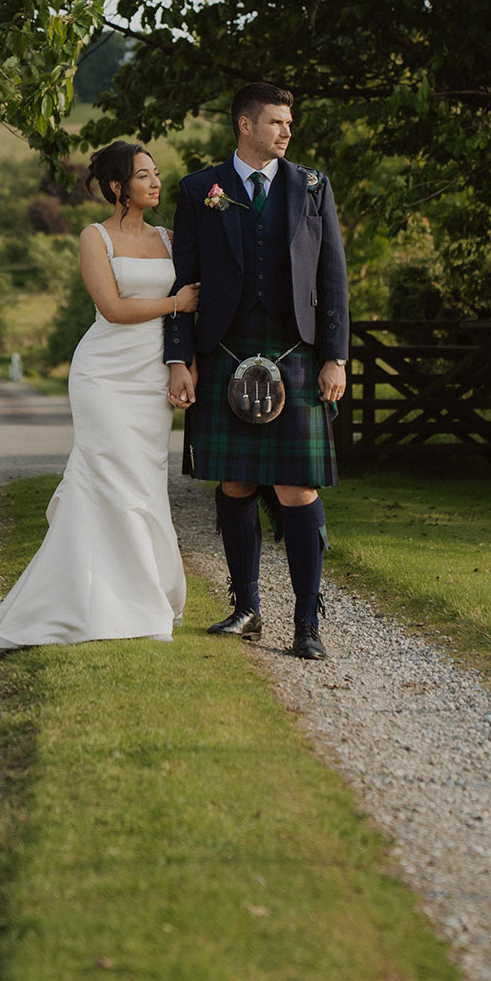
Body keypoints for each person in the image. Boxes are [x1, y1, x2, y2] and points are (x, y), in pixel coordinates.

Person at [0, 142, 197, 650]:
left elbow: (188, 321)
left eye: (157, 173)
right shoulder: (93, 237)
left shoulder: (170, 239)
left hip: (151, 378)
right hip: (103, 375)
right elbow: (113, 307)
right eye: (143, 175)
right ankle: (84, 606)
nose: (155, 181)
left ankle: (137, 597)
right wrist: (176, 301)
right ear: (119, 186)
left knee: (144, 484)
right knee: (104, 481)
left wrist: (184, 366)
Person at [165, 82, 349, 661]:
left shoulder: (312, 186)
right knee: (237, 482)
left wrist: (335, 355)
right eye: (275, 121)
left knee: (298, 488)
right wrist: (180, 357)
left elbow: (333, 278)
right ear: (245, 125)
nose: (286, 131)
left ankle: (306, 618)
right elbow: (183, 280)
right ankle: (246, 608)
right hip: (224, 350)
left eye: (289, 121)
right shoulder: (201, 189)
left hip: (296, 350)